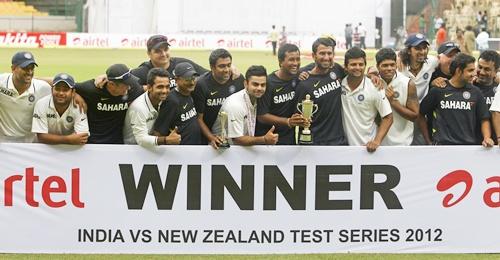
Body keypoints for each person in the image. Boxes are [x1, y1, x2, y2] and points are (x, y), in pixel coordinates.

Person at [418, 53, 493, 146]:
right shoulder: (438, 91)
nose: (474, 74)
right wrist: (428, 140)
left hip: (468, 148)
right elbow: (420, 114)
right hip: (442, 148)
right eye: (470, 70)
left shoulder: (476, 92)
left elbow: (484, 118)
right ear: (458, 71)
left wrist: (486, 138)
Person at [294, 37, 347, 145]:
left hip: (338, 141)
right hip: (314, 142)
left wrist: (373, 74)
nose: (326, 57)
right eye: (322, 53)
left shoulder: (337, 70)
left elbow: (356, 74)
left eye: (329, 53)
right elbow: (298, 116)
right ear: (313, 56)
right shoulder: (304, 83)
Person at [75, 63, 144, 144]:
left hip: (118, 144)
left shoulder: (132, 89)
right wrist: (75, 95)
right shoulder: (92, 89)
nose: (129, 87)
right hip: (92, 143)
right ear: (111, 84)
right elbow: (62, 85)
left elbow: (149, 89)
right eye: (125, 85)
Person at [341, 47, 393, 152]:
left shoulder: (375, 87)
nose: (357, 67)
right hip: (344, 148)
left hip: (368, 148)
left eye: (361, 64)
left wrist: (376, 141)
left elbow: (388, 117)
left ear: (365, 65)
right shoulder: (339, 83)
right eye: (353, 64)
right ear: (345, 67)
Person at [256, 43, 308, 145]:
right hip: (268, 138)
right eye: (291, 60)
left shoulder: (299, 78)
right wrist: (287, 121)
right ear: (280, 62)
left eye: (298, 59)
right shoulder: (269, 83)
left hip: (289, 138)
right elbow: (262, 115)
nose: (295, 63)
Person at [192, 48, 244, 148]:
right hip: (209, 136)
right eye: (222, 66)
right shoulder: (201, 85)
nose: (227, 70)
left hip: (234, 133)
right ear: (212, 67)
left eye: (229, 65)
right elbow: (199, 118)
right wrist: (211, 138)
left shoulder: (238, 79)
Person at [213, 66, 277, 146]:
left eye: (263, 85)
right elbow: (237, 139)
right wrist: (264, 139)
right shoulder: (235, 105)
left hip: (239, 149)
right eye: (255, 84)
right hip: (222, 150)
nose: (260, 88)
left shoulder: (258, 99)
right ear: (246, 84)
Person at [0, 51, 51, 143]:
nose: (30, 72)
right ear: (13, 68)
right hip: (2, 142)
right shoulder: (1, 82)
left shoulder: (42, 88)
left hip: (28, 143)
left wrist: (75, 96)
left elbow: (61, 88)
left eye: (32, 68)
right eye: (25, 68)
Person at [123, 68, 181, 148]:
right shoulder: (139, 108)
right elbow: (141, 139)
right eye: (160, 87)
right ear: (149, 87)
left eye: (167, 87)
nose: (165, 91)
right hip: (132, 149)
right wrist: (166, 140)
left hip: (152, 146)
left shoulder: (165, 100)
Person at [398, 33, 439, 145]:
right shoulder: (399, 66)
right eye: (417, 48)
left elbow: (447, 61)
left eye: (424, 48)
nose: (422, 52)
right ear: (408, 51)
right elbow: (379, 66)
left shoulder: (432, 62)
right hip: (402, 114)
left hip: (422, 116)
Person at [375, 48, 419, 146]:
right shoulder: (373, 82)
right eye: (385, 65)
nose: (389, 68)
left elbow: (414, 116)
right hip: (378, 143)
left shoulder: (408, 83)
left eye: (392, 65)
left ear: (396, 64)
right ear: (377, 66)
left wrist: (393, 102)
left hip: (403, 143)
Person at [32, 73, 89, 145]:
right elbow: (41, 137)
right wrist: (68, 139)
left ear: (73, 92)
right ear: (52, 89)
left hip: (70, 150)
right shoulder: (41, 104)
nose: (61, 93)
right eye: (57, 89)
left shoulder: (79, 106)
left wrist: (53, 139)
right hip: (45, 148)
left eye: (65, 90)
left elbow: (82, 137)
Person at [131, 34, 208, 87]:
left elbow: (208, 76)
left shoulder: (183, 64)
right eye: (158, 51)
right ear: (149, 53)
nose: (163, 54)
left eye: (166, 49)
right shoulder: (141, 72)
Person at [153, 62, 202, 145]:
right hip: (181, 152)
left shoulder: (189, 92)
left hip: (194, 149)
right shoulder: (171, 101)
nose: (192, 82)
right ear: (176, 80)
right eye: (187, 79)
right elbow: (158, 132)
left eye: (194, 78)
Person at [474, 50, 499, 143]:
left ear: (496, 71)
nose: (482, 72)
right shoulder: (468, 87)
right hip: (471, 145)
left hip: (495, 145)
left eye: (487, 69)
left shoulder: (498, 90)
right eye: (480, 67)